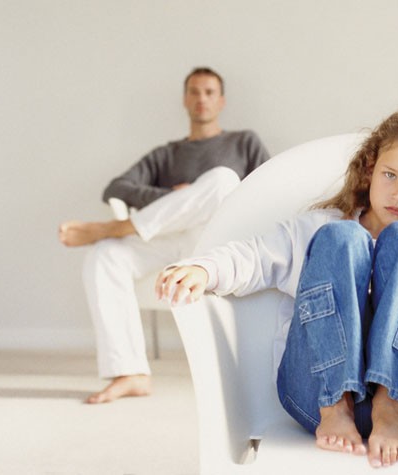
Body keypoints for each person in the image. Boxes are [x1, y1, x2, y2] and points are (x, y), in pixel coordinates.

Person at [156, 108, 398, 468]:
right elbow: (253, 257)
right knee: (341, 238)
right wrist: (204, 268)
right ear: (369, 170)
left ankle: (388, 406)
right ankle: (336, 405)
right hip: (314, 395)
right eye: (390, 175)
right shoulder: (318, 228)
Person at [58, 67, 270, 404]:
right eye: (194, 91)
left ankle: (112, 229)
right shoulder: (166, 154)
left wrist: (202, 193)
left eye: (209, 92)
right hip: (168, 239)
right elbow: (116, 188)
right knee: (104, 255)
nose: (201, 99)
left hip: (217, 243)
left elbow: (265, 191)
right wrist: (173, 196)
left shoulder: (244, 142)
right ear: (185, 99)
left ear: (221, 101)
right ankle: (130, 373)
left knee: (223, 180)